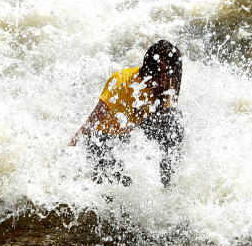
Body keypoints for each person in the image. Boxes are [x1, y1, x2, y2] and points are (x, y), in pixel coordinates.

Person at [70, 40, 184, 187]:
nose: (164, 79)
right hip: (102, 139)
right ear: (149, 67)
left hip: (130, 135)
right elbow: (94, 117)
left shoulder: (165, 88)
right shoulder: (121, 80)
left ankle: (168, 184)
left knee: (174, 119)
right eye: (160, 72)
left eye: (169, 72)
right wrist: (72, 144)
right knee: (120, 185)